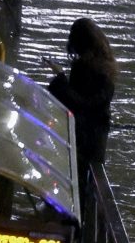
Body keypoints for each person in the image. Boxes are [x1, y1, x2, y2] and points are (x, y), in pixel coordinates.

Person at [47, 17, 118, 180]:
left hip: (83, 139)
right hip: (97, 140)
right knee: (91, 183)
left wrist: (60, 78)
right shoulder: (106, 69)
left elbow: (79, 103)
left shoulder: (84, 69)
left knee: (78, 179)